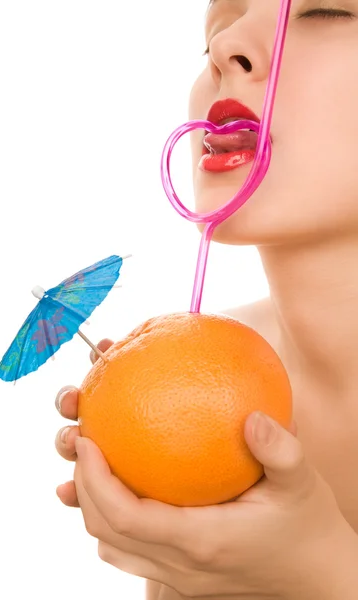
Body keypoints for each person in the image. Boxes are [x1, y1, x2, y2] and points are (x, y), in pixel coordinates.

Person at [54, 1, 358, 598]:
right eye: (214, 31)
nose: (227, 47)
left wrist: (320, 573)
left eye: (326, 10)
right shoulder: (189, 389)